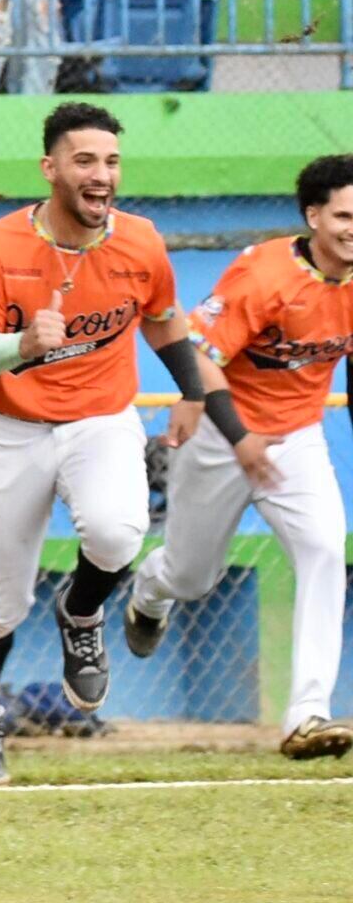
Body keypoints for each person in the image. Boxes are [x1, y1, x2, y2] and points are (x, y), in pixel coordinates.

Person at [0, 102, 200, 789]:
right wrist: (21, 345)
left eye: (111, 161)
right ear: (50, 167)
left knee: (117, 533)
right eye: (85, 160)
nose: (102, 175)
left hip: (100, 419)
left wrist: (196, 392)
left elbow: (166, 323)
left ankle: (81, 611)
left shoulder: (141, 242)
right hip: (10, 428)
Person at [128, 154, 353, 764]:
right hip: (221, 437)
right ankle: (150, 591)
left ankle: (306, 714)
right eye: (343, 215)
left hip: (299, 438)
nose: (352, 228)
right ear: (314, 216)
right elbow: (201, 357)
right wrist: (239, 437)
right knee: (192, 576)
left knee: (326, 550)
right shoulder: (264, 272)